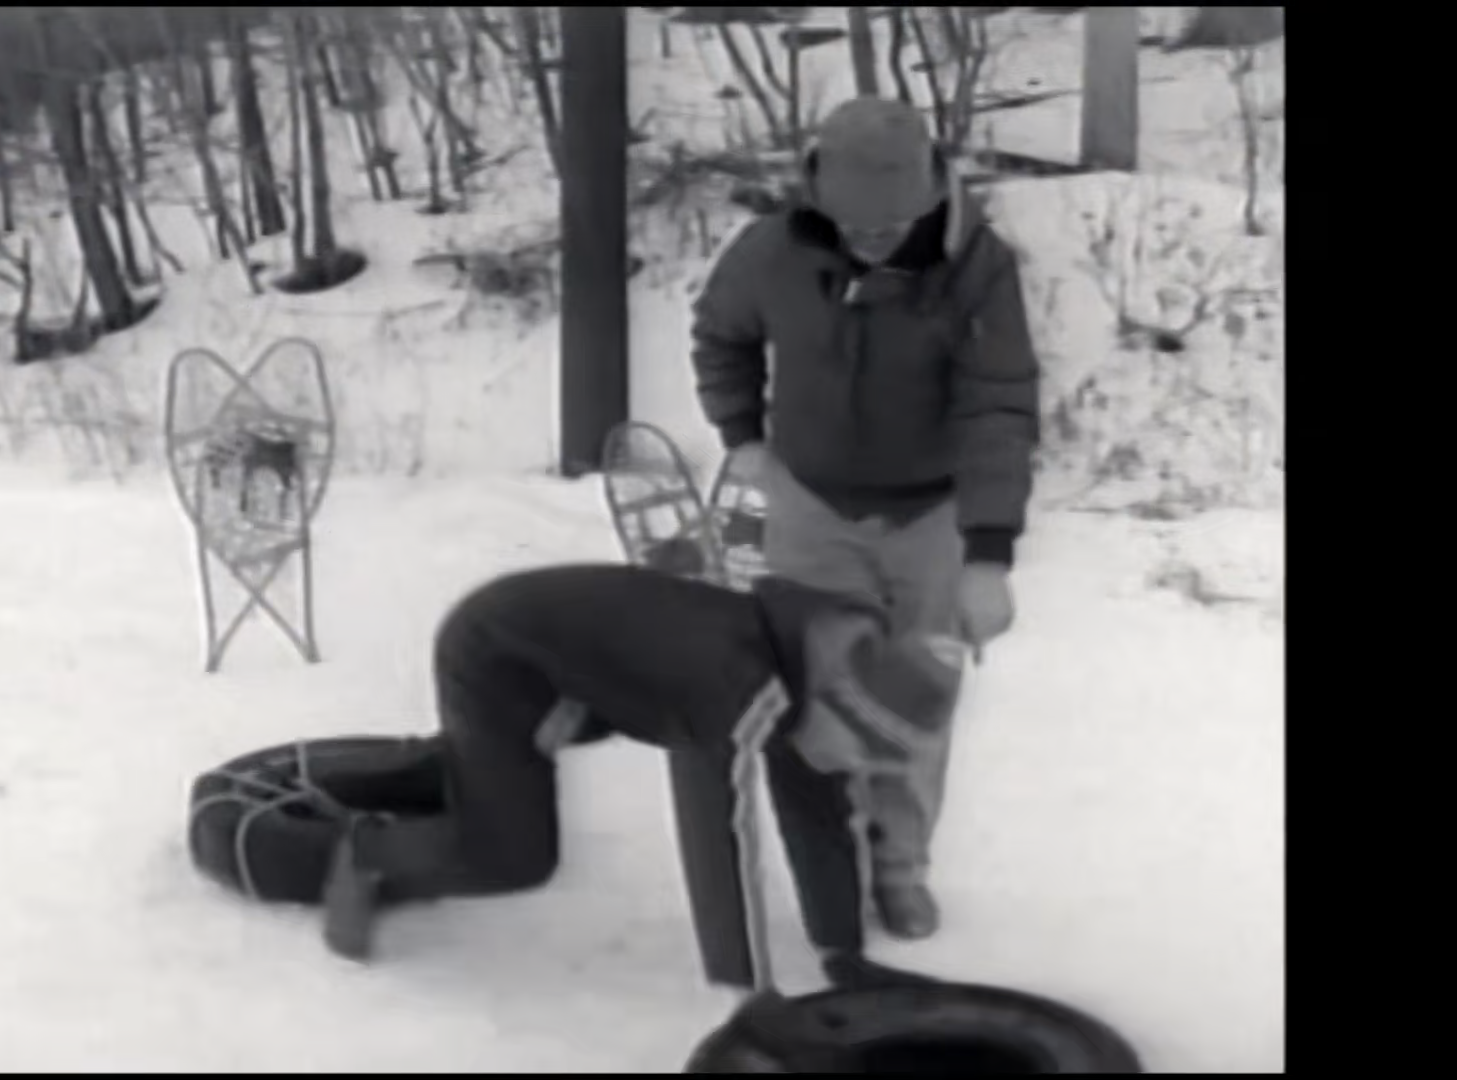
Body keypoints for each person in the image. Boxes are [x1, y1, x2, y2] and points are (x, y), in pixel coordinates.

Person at [688, 96, 1042, 940]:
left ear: (928, 195)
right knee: (816, 701)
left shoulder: (978, 268)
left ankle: (899, 868)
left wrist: (987, 554)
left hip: (931, 514)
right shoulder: (772, 251)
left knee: (912, 701)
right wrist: (743, 437)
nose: (871, 241)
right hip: (809, 504)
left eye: (889, 227)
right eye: (855, 226)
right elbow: (720, 336)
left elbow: (996, 407)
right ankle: (832, 871)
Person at [320, 562, 952, 991]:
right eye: (861, 755)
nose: (857, 772)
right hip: (499, 652)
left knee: (503, 780)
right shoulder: (740, 688)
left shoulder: (825, 672)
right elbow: (721, 843)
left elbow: (819, 820)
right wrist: (748, 995)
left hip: (583, 662)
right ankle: (370, 848)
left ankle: (460, 774)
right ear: (842, 709)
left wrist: (844, 957)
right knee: (514, 856)